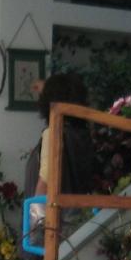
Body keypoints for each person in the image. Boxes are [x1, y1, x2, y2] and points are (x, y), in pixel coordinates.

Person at [24, 73, 96, 250]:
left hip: (53, 230)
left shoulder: (54, 134)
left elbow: (45, 182)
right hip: (76, 227)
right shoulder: (82, 135)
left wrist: (35, 234)